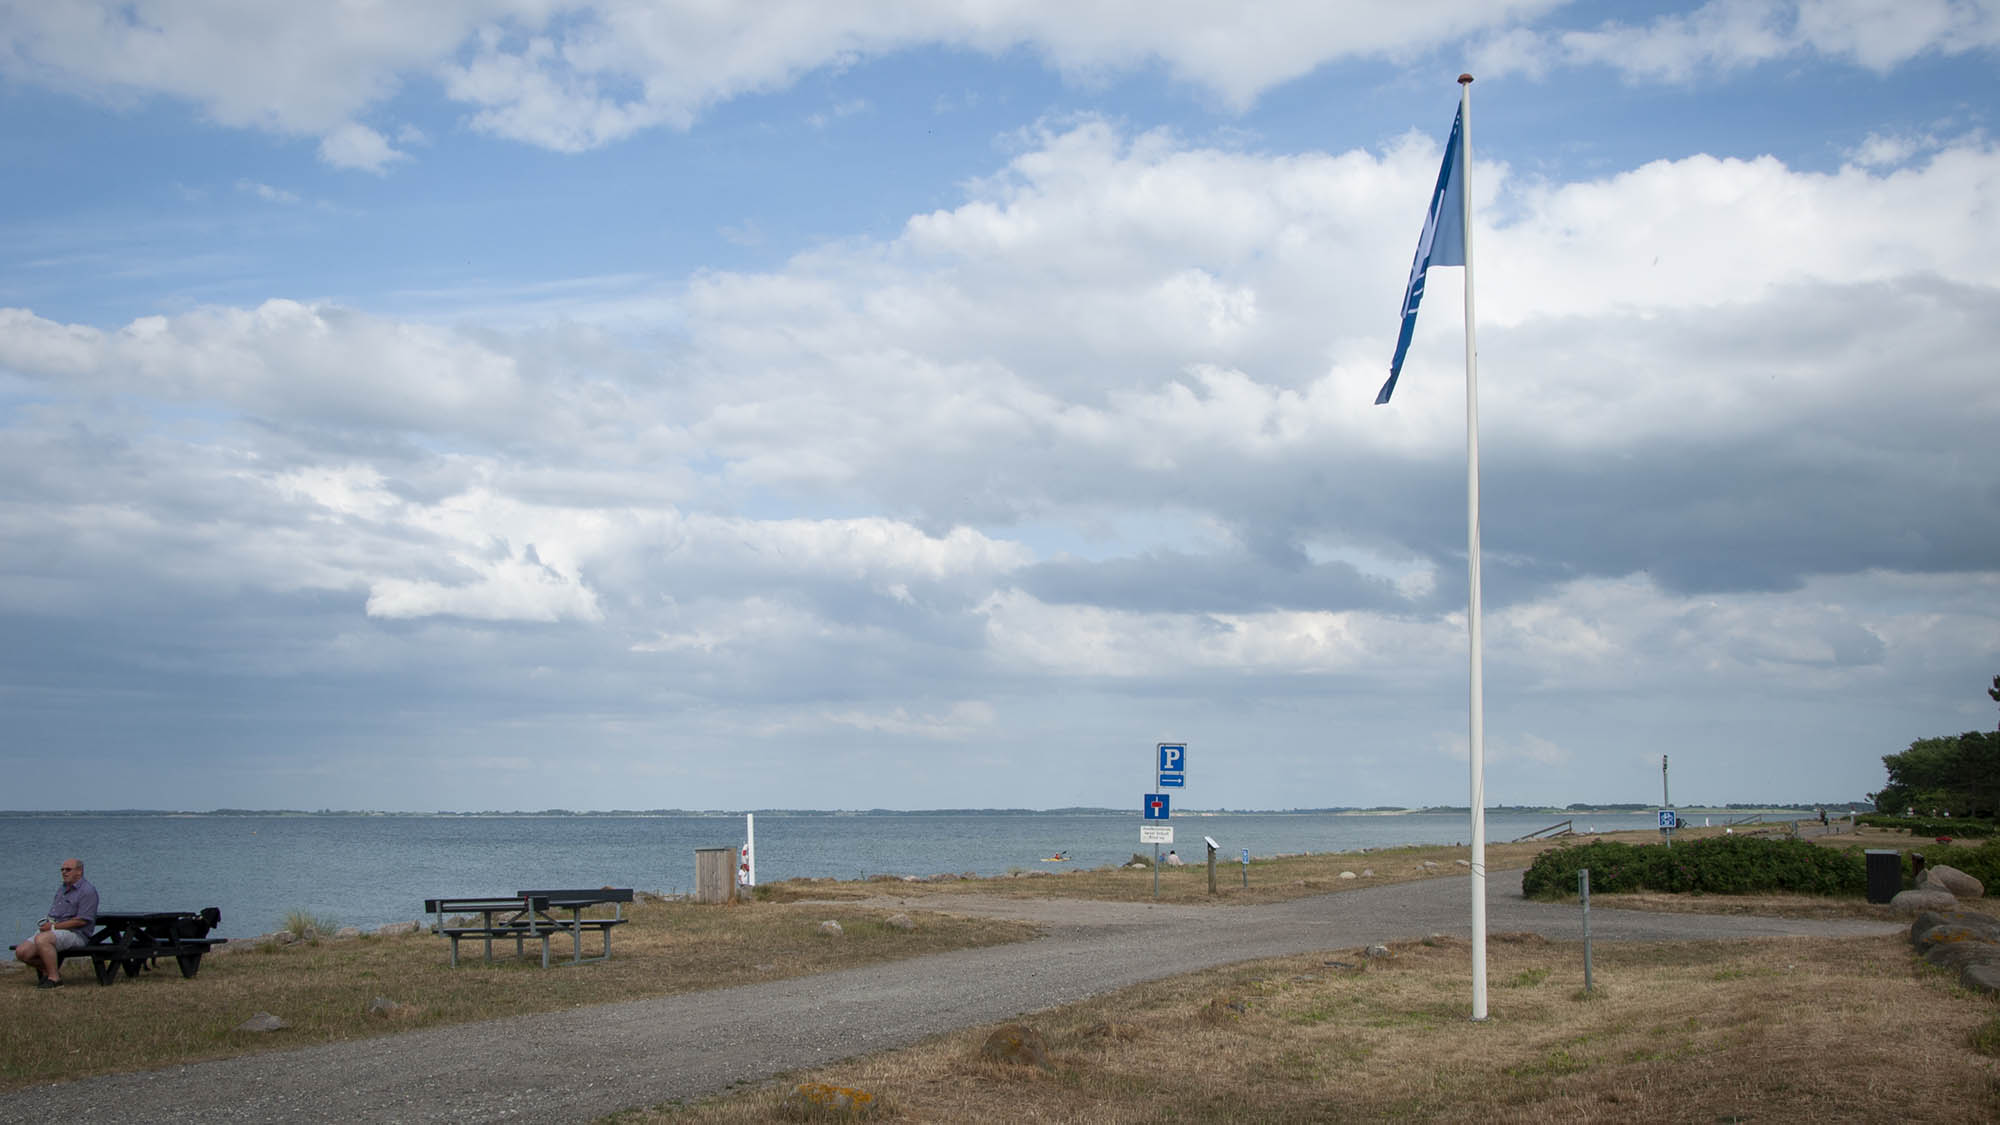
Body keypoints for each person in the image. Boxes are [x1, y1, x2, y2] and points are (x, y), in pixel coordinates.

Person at [16, 858, 97, 989]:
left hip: (76, 934)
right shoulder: (62, 889)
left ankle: (55, 980)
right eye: (62, 870)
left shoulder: (87, 891)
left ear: (79, 872)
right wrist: (49, 925)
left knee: (42, 939)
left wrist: (53, 927)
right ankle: (50, 971)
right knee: (22, 952)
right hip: (52, 931)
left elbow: (82, 921)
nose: (64, 872)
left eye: (68, 870)